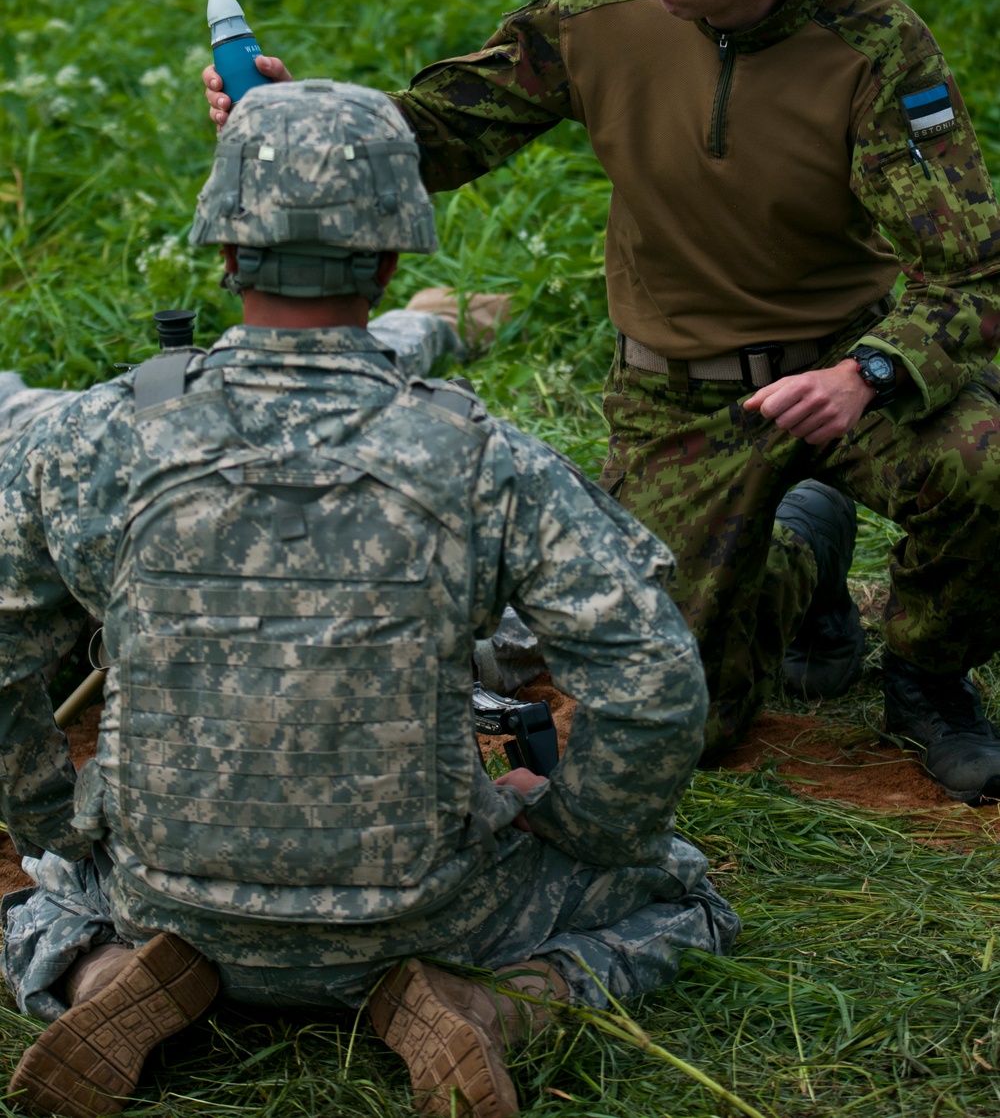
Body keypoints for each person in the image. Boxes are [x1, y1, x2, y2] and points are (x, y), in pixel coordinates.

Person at [204, 0, 1000, 802]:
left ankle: (926, 677)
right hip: (679, 392)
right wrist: (292, 115)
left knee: (985, 472)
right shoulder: (595, 11)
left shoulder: (873, 47)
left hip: (836, 366)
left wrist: (870, 372)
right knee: (687, 723)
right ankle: (803, 558)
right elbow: (438, 134)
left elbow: (973, 266)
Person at [0, 81, 737, 1118]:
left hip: (160, 899)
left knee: (38, 904)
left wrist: (61, 824)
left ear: (223, 254)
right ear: (393, 261)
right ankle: (497, 1009)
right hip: (429, 915)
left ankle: (107, 980)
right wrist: (577, 826)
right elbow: (653, 681)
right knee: (677, 893)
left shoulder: (95, 438)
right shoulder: (481, 454)